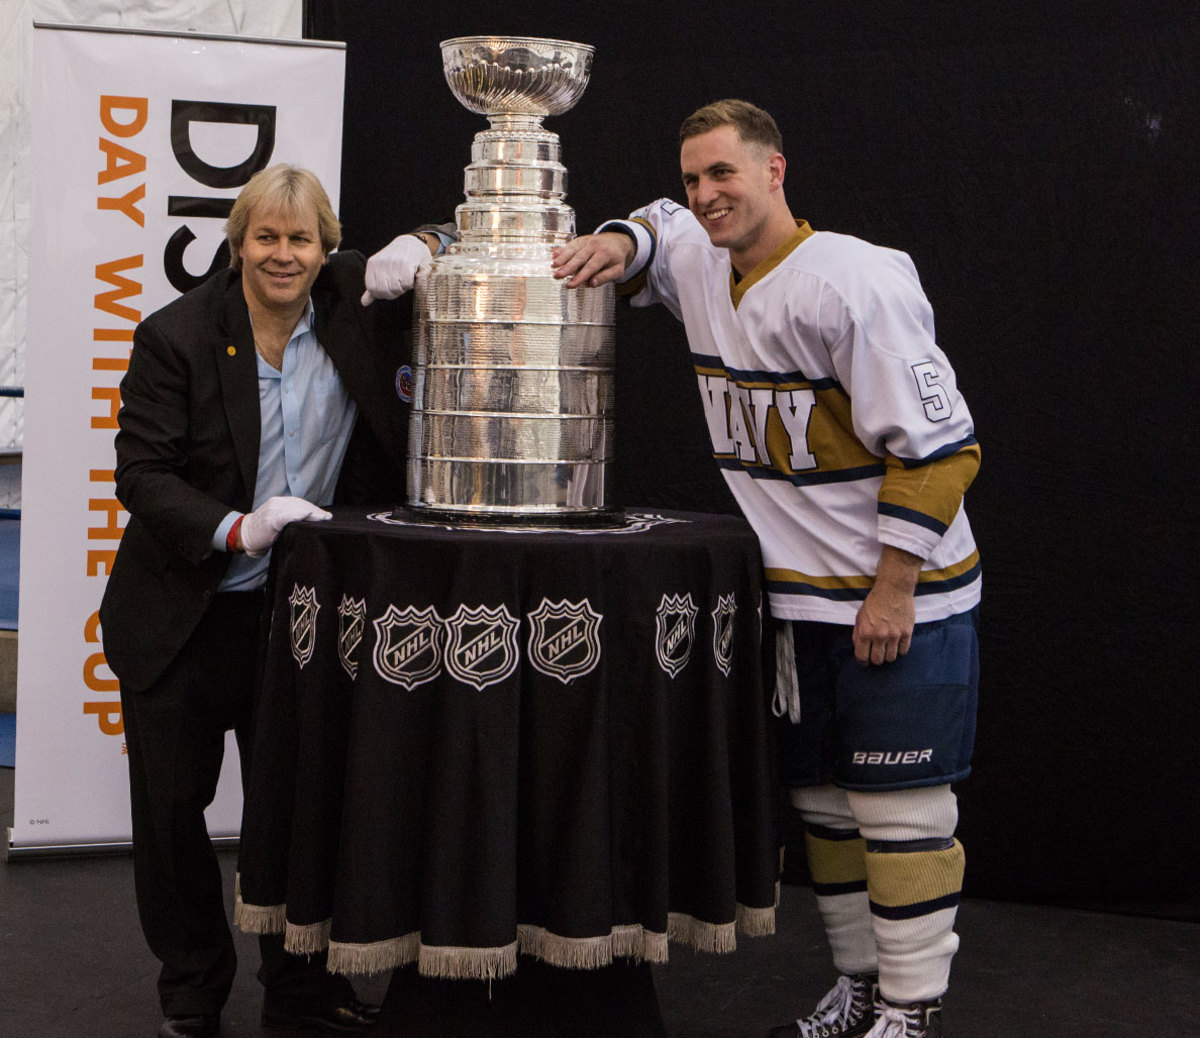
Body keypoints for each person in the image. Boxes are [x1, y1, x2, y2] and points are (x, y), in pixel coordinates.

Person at [549, 100, 981, 1038]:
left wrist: (895, 587)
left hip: (894, 595)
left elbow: (942, 450)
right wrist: (622, 241)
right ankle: (861, 987)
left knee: (900, 809)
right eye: (695, 175)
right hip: (796, 604)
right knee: (823, 806)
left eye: (724, 174)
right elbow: (658, 228)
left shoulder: (855, 282)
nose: (706, 194)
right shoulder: (705, 258)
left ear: (775, 170)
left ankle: (911, 1009)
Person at [98, 163, 453, 1038]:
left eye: (300, 238)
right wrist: (238, 527)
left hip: (297, 620)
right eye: (266, 236)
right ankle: (192, 991)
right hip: (182, 616)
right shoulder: (175, 335)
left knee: (296, 814)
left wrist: (430, 241)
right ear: (238, 241)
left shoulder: (354, 303)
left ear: (326, 246)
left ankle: (299, 991)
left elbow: (464, 247)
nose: (283, 255)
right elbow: (140, 474)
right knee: (174, 817)